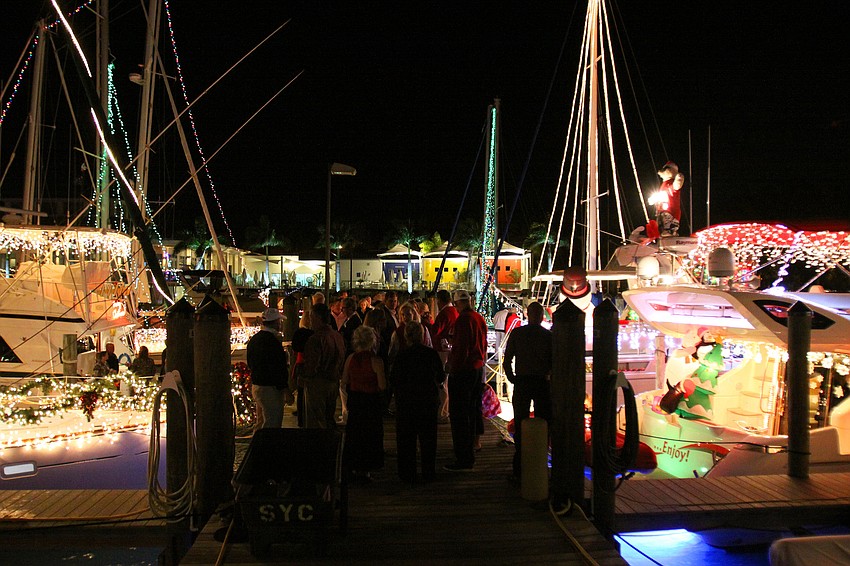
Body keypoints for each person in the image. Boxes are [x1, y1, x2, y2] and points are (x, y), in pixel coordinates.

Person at [503, 301, 552, 482]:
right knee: (544, 423)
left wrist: (512, 377)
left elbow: (507, 360)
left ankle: (520, 466)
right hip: (541, 382)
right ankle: (540, 463)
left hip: (523, 381)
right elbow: (554, 361)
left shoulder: (518, 334)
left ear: (527, 315)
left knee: (521, 422)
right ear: (541, 317)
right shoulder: (548, 336)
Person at [390, 321, 445, 483]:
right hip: (427, 400)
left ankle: (407, 473)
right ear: (422, 336)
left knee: (406, 439)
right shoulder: (431, 354)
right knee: (428, 439)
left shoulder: (402, 356)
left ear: (406, 337)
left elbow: (394, 379)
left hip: (406, 402)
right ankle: (429, 472)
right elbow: (440, 376)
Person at [444, 289, 487, 472]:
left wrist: (452, 367)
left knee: (460, 415)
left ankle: (464, 457)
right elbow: (482, 343)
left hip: (464, 371)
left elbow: (461, 349)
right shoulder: (479, 317)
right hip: (477, 368)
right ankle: (471, 447)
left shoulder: (463, 320)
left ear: (457, 303)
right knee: (473, 409)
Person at [341, 325, 387, 482]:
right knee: (370, 435)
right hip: (371, 401)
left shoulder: (351, 358)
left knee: (355, 434)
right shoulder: (376, 360)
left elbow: (345, 380)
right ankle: (366, 469)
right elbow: (382, 385)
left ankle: (353, 466)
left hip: (355, 399)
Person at [302, 303, 346, 428]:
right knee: (329, 416)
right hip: (333, 381)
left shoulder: (316, 338)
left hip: (318, 382)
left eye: (311, 317)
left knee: (316, 420)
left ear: (317, 317)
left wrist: (304, 376)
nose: (310, 321)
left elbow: (312, 364)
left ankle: (319, 444)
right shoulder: (337, 336)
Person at [247, 308, 292, 429]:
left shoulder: (254, 340)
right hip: (270, 388)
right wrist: (285, 389)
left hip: (257, 385)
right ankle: (268, 446)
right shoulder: (273, 342)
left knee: (261, 422)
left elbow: (250, 362)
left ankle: (256, 445)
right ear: (276, 322)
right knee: (272, 422)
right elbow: (277, 367)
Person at [431, 289, 458, 423]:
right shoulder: (454, 311)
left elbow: (436, 331)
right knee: (446, 381)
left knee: (442, 381)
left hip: (441, 350)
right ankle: (446, 410)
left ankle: (442, 412)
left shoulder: (445, 313)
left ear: (439, 301)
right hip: (449, 349)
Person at [289, 308, 315, 428]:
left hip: (300, 363)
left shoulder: (299, 333)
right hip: (311, 365)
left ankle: (301, 419)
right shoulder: (313, 334)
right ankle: (308, 418)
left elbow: (295, 348)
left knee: (300, 393)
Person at [648, 161, 685, 236]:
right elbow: (660, 195)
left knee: (669, 226)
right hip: (661, 212)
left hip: (670, 212)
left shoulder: (670, 183)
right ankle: (662, 236)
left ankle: (670, 235)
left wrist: (678, 180)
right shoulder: (664, 185)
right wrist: (653, 199)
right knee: (661, 226)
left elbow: (676, 187)